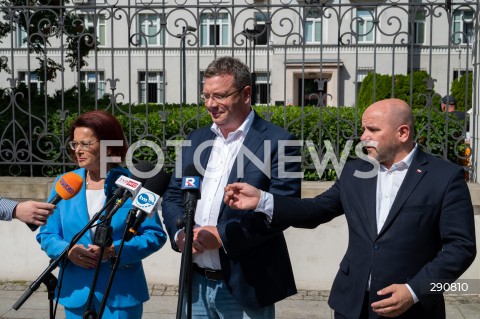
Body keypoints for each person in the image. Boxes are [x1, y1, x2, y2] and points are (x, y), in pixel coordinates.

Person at [224, 98, 477, 319]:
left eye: (373, 129)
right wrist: (263, 200)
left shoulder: (444, 177)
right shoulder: (356, 171)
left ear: (402, 133)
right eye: (363, 128)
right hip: (351, 304)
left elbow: (461, 247)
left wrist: (414, 291)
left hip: (413, 310)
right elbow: (316, 210)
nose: (363, 136)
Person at [161, 56, 301, 318]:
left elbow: (285, 209)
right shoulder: (196, 138)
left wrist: (223, 236)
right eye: (206, 96)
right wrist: (181, 234)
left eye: (220, 96)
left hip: (246, 286)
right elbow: (172, 195)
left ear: (246, 93)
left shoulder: (281, 141)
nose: (211, 105)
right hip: (195, 284)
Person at [37, 110, 167, 319]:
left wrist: (116, 251)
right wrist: (67, 250)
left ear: (109, 145)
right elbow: (46, 234)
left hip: (121, 294)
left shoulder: (135, 182)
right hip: (76, 291)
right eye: (75, 144)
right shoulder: (64, 182)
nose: (78, 150)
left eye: (86, 144)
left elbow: (155, 234)